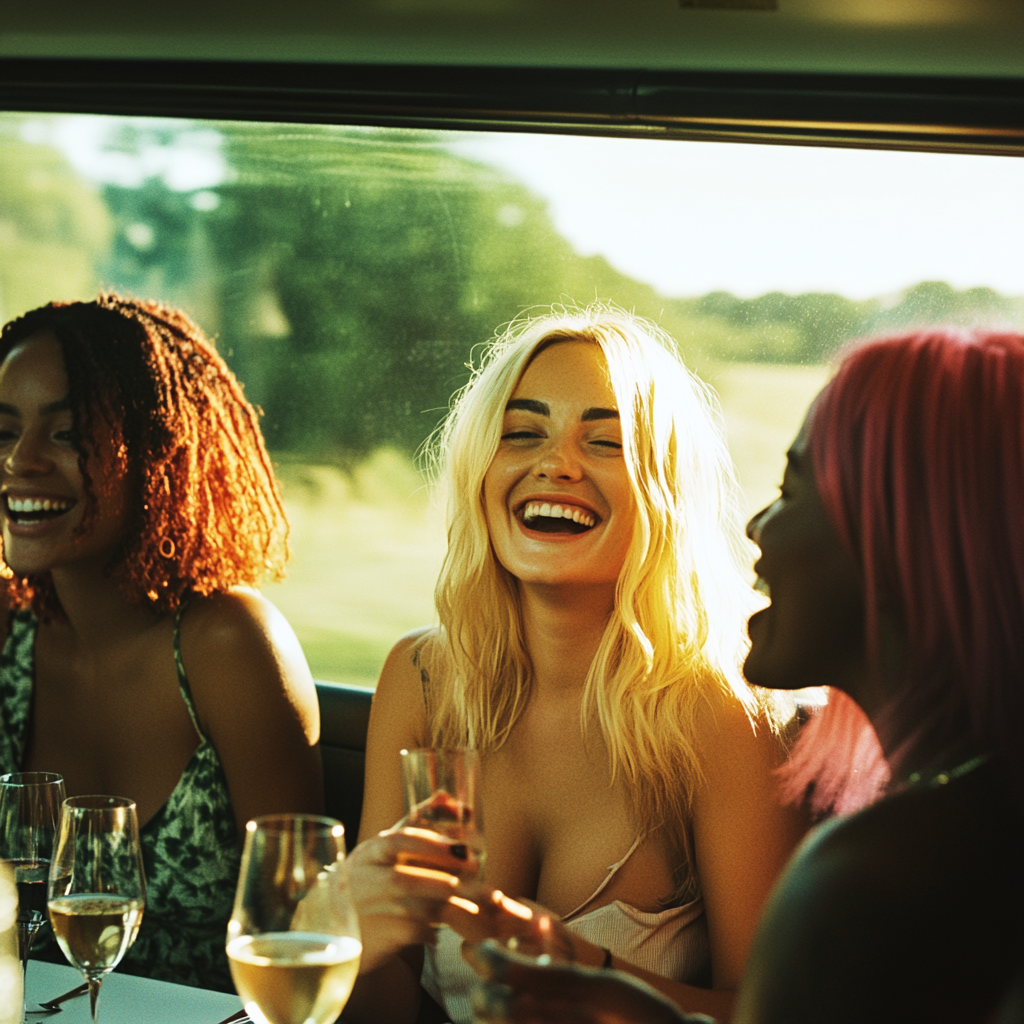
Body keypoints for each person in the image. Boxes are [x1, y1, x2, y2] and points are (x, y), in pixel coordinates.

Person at [469, 327, 1024, 1024]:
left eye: (790, 491)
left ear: (900, 548)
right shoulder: (968, 824)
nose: (756, 526)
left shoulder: (865, 874)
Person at [344, 305, 808, 1024]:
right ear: (479, 469)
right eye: (522, 433)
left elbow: (768, 1013)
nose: (555, 464)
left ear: (665, 493)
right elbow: (385, 998)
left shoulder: (717, 715)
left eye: (606, 442)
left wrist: (586, 976)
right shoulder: (424, 677)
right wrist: (333, 932)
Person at [0, 294, 323, 992]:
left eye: (66, 434)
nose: (19, 461)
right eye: (5, 431)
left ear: (155, 451)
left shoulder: (230, 645)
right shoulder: (4, 630)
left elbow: (303, 946)